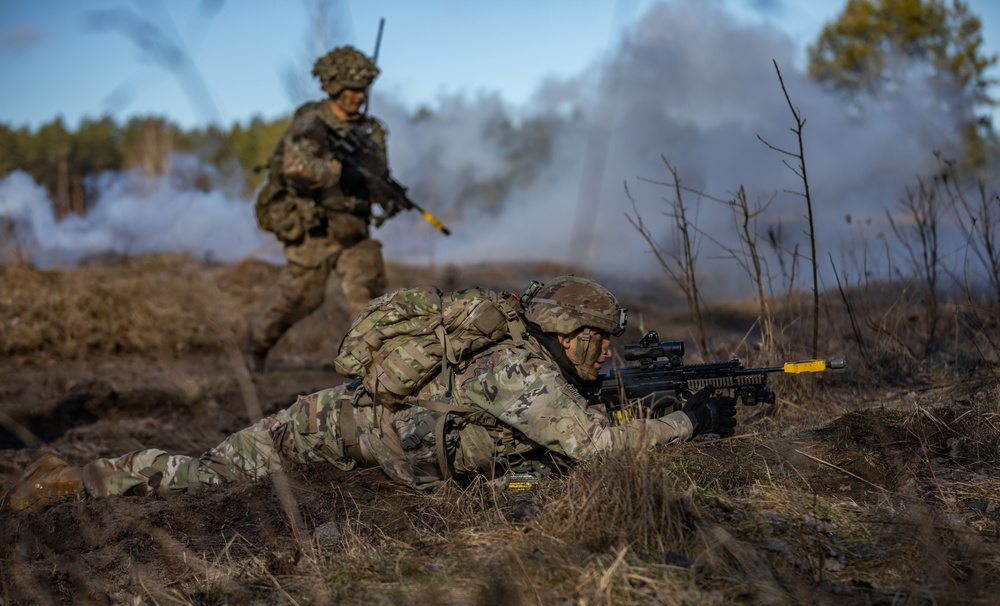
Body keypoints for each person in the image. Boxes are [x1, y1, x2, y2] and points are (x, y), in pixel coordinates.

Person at [0, 276, 738, 513]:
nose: (604, 352)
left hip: (355, 427)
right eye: (597, 338)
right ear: (567, 331)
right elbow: (593, 445)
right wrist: (688, 424)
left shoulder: (523, 356)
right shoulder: (523, 370)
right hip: (323, 426)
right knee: (205, 475)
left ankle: (82, 475)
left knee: (215, 471)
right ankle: (81, 478)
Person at [245, 45, 400, 373]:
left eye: (363, 90)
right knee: (299, 300)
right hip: (313, 229)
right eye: (352, 90)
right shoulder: (313, 122)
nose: (359, 96)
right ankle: (256, 345)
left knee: (369, 298)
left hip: (354, 230)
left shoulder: (370, 132)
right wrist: (342, 172)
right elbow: (296, 166)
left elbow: (378, 178)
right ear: (334, 88)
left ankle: (373, 373)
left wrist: (388, 195)